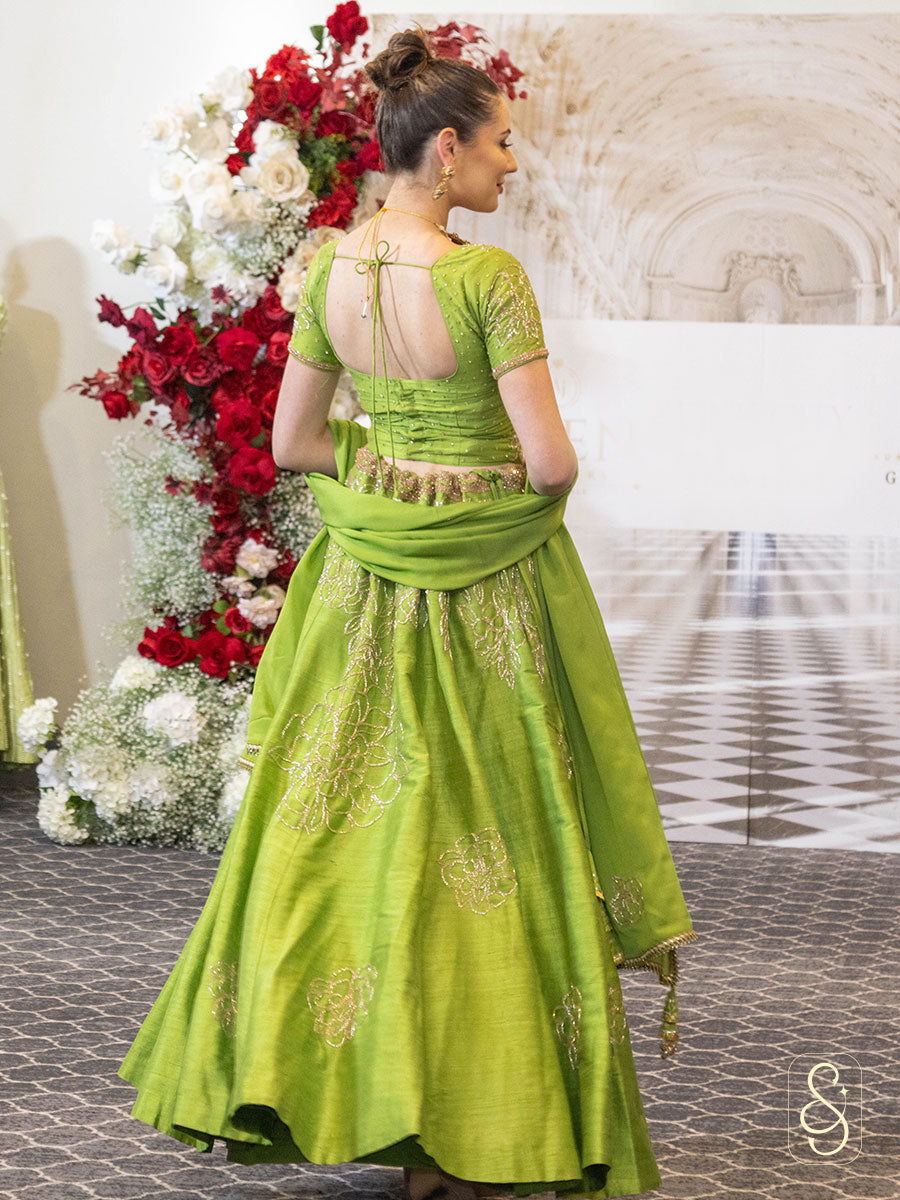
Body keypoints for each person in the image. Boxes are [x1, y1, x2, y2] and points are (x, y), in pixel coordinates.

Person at [118, 26, 696, 1200]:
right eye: (501, 142)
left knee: (350, 840)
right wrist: (472, 482)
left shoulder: (331, 270)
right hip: (486, 593)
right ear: (445, 151)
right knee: (495, 841)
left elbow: (295, 443)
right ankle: (473, 1130)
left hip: (364, 583)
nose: (511, 163)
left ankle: (360, 1096)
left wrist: (387, 471)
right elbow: (550, 464)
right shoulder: (485, 279)